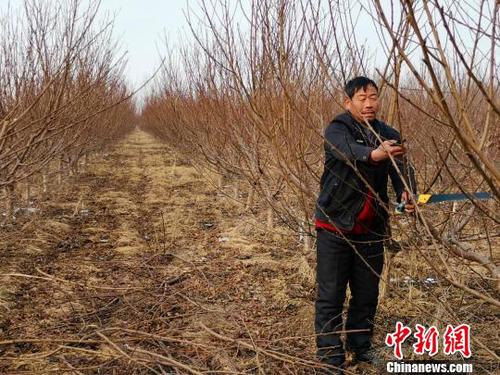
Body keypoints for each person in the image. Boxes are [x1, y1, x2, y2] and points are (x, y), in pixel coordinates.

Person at [314, 76, 416, 373]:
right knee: (331, 295)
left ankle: (360, 348)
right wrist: (374, 154)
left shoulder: (389, 133)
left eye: (373, 96)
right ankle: (331, 358)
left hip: (371, 228)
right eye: (362, 98)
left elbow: (401, 169)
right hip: (335, 223)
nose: (369, 103)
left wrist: (406, 191)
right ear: (348, 103)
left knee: (367, 294)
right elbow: (348, 152)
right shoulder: (337, 129)